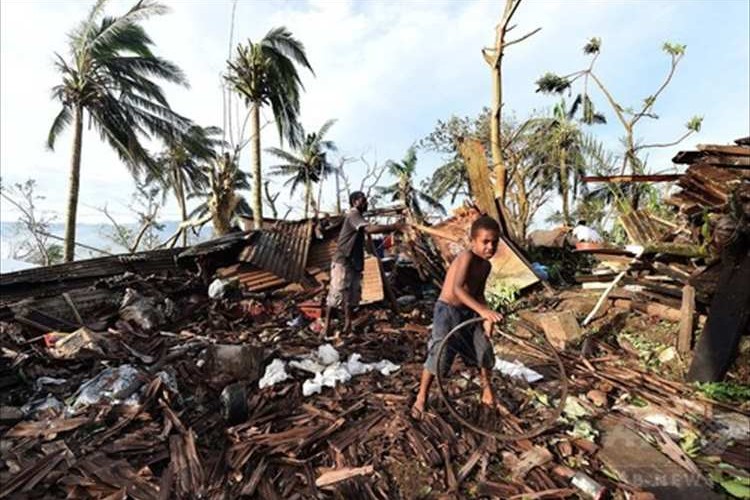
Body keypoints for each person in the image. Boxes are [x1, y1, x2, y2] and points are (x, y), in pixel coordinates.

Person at [412, 215, 504, 420]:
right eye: (485, 241)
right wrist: (482, 312)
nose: (490, 247)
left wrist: (486, 317)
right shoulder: (466, 257)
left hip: (469, 313)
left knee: (484, 349)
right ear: (473, 241)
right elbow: (458, 288)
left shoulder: (486, 266)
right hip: (448, 311)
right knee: (440, 354)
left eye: (494, 242)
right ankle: (421, 396)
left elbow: (478, 294)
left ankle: (487, 389)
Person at [323, 191, 403, 340]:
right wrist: (394, 226)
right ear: (355, 202)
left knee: (352, 297)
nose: (366, 203)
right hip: (343, 261)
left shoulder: (359, 217)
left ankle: (347, 326)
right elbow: (369, 229)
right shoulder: (353, 215)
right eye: (363, 200)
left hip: (354, 262)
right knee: (336, 294)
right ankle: (326, 327)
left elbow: (363, 240)